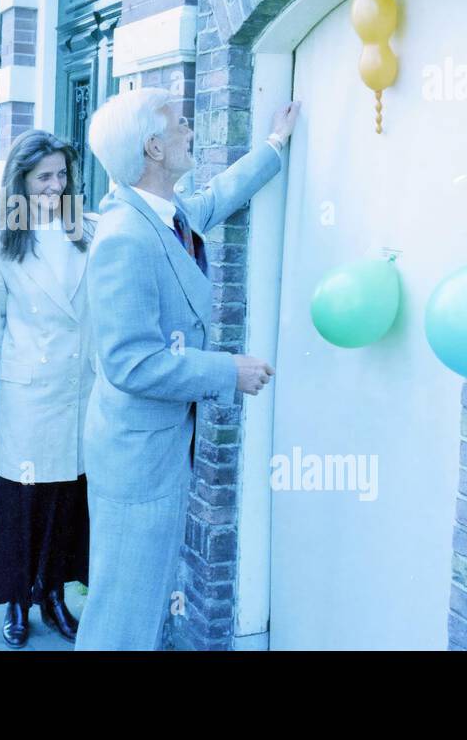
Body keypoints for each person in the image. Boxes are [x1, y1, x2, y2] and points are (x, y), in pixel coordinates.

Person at [73, 87, 300, 651]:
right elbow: (131, 362)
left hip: (155, 448)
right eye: (180, 125)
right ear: (153, 146)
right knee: (125, 606)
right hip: (136, 459)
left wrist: (276, 143)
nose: (190, 132)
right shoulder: (124, 238)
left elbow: (218, 196)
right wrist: (228, 371)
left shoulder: (164, 215)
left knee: (144, 597)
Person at [0, 130, 96, 647]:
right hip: (30, 388)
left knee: (69, 495)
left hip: (80, 389)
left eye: (62, 175)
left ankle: (55, 596)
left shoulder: (88, 230)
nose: (54, 185)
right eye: (44, 176)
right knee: (24, 500)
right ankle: (18, 600)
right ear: (20, 181)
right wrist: (21, 370)